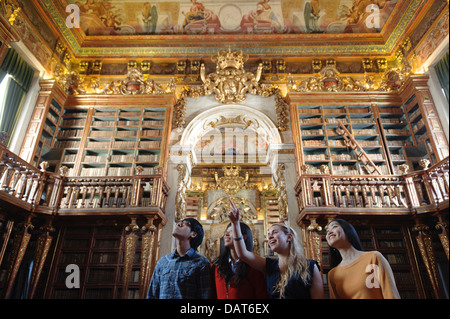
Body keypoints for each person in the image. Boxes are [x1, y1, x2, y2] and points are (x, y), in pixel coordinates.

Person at [228, 201, 323, 299]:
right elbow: (242, 254)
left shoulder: (310, 266)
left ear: (289, 237)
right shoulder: (269, 266)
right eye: (268, 234)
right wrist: (235, 224)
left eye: (275, 232)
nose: (270, 237)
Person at [325, 218, 400, 299]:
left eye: (334, 226)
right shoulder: (332, 274)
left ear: (347, 231)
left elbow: (390, 294)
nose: (329, 232)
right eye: (327, 231)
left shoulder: (373, 257)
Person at [147, 218, 213, 299]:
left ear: (193, 234)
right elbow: (152, 295)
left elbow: (205, 296)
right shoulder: (163, 262)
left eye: (185, 223)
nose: (179, 224)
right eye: (180, 222)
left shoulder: (201, 263)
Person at [212, 222, 268, 299]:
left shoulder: (254, 266)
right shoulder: (216, 265)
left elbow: (261, 295)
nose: (226, 234)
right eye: (226, 231)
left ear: (244, 237)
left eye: (231, 231)